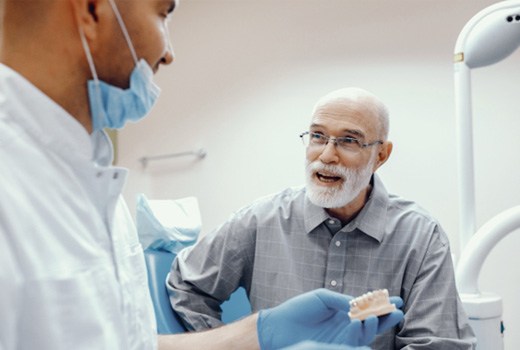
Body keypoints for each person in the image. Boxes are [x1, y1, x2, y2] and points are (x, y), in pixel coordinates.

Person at [0, 0, 403, 349]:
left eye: (349, 141)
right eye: (164, 13)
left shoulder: (94, 181)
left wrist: (258, 336)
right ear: (92, 9)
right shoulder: (13, 188)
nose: (169, 53)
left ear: (381, 155)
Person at [168, 87, 478, 349]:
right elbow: (186, 286)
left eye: (349, 141)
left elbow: (438, 344)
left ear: (380, 155)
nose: (327, 155)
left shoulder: (421, 237)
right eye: (318, 136)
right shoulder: (261, 220)